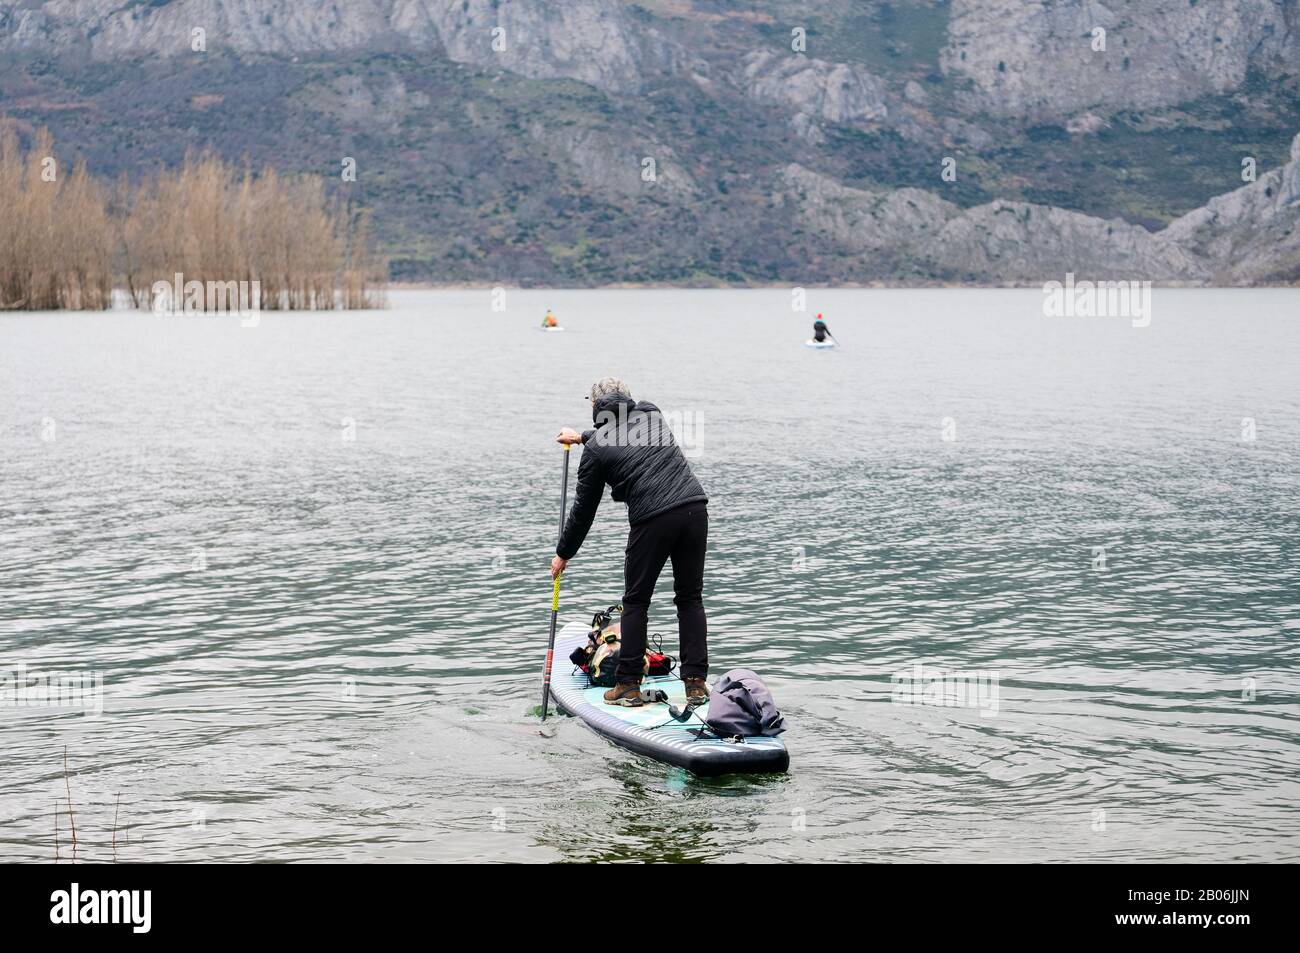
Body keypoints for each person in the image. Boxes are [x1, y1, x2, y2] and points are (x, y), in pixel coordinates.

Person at [551, 378, 710, 708]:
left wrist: (563, 553)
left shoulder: (597, 451)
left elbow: (583, 511)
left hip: (654, 519)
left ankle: (627, 686)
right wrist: (580, 436)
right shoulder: (652, 413)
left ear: (595, 406)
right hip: (695, 509)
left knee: (636, 602)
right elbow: (620, 432)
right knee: (690, 597)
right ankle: (695, 684)